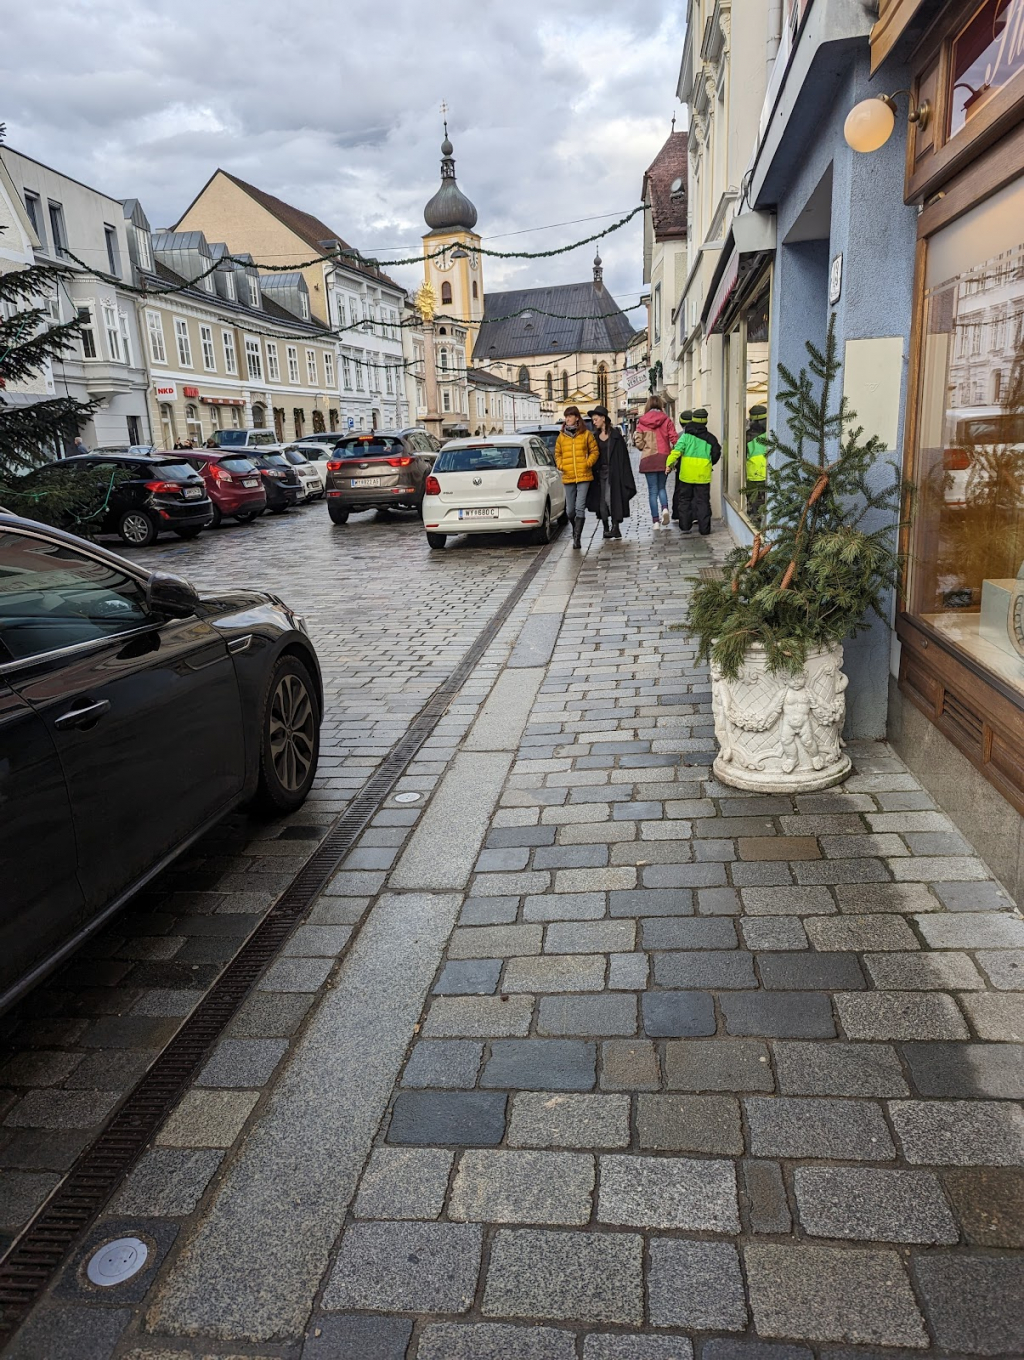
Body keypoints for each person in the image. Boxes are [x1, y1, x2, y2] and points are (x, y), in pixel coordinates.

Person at [667, 407, 721, 535]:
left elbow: (676, 451)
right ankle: (704, 529)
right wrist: (709, 463)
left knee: (684, 499)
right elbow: (716, 454)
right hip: (703, 475)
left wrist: (669, 464)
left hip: (686, 475)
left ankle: (685, 526)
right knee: (702, 501)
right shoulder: (711, 439)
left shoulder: (686, 437)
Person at [554, 405, 600, 550]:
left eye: (570, 416)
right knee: (570, 511)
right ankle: (575, 529)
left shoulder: (586, 434)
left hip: (584, 475)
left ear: (576, 418)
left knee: (580, 508)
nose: (567, 419)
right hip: (568, 476)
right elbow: (557, 454)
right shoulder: (561, 437)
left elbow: (594, 451)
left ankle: (577, 538)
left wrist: (588, 463)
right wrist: (561, 465)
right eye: (566, 416)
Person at [587, 405, 635, 539]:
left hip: (614, 473)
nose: (594, 422)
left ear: (603, 419)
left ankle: (615, 527)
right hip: (598, 474)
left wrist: (625, 477)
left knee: (611, 499)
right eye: (593, 420)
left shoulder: (615, 436)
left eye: (596, 419)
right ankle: (606, 527)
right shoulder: (594, 437)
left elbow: (623, 457)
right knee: (601, 502)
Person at [633, 394, 677, 531]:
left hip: (648, 458)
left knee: (652, 491)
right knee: (661, 487)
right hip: (664, 458)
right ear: (660, 405)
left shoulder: (642, 422)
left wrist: (643, 447)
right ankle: (665, 508)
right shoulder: (667, 420)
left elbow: (638, 441)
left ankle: (655, 522)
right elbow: (674, 438)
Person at [745, 404, 768, 526]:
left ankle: (756, 519)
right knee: (766, 499)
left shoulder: (747, 436)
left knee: (754, 499)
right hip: (768, 473)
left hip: (752, 474)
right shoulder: (769, 434)